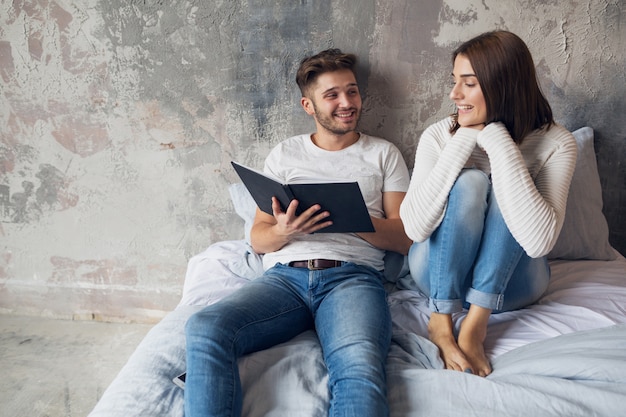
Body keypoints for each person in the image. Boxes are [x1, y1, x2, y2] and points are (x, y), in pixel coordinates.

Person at [184, 49, 411, 417]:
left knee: (358, 365)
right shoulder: (285, 154)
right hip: (283, 280)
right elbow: (258, 238)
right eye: (332, 95)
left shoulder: (383, 154)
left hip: (351, 279)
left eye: (352, 92)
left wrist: (350, 219)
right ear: (309, 105)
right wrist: (285, 230)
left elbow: (403, 238)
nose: (347, 103)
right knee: (206, 327)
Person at [398, 30, 578, 377]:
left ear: (504, 86)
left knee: (506, 188)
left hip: (514, 285)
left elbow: (539, 242)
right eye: (455, 82)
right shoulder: (440, 135)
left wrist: (499, 141)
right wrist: (464, 139)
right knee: (470, 181)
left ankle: (475, 326)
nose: (454, 95)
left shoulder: (557, 142)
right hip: (436, 276)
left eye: (468, 84)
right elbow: (415, 227)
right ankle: (440, 320)